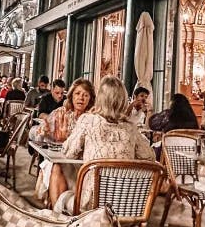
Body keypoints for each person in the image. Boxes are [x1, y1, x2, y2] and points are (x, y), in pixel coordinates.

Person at [56, 76, 156, 212]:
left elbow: (68, 152)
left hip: (91, 206)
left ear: (99, 99)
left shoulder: (88, 120)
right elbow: (150, 157)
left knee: (63, 196)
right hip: (126, 206)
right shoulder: (131, 128)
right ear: (123, 101)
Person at [30, 78, 95, 206]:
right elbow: (34, 134)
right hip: (62, 160)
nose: (81, 98)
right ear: (71, 96)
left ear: (90, 99)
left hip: (83, 164)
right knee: (57, 166)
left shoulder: (93, 119)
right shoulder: (61, 113)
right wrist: (43, 131)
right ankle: (57, 213)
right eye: (77, 94)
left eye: (85, 95)